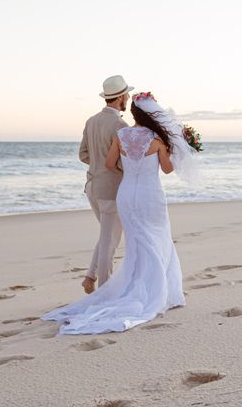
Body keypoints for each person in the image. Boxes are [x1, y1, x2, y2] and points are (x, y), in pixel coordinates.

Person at [40, 91, 195, 335]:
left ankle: (131, 285)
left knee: (135, 242)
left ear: (133, 113)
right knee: (157, 238)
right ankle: (158, 290)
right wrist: (177, 150)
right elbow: (166, 170)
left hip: (126, 193)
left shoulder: (121, 135)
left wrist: (131, 168)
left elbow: (110, 164)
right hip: (149, 194)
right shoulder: (157, 139)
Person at [78, 75, 132, 294]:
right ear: (120, 98)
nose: (128, 97)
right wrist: (115, 167)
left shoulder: (91, 121)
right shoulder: (120, 125)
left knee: (106, 236)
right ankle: (105, 291)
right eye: (127, 94)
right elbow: (121, 161)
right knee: (110, 242)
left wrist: (98, 163)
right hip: (110, 189)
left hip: (92, 185)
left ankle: (89, 277)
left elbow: (83, 154)